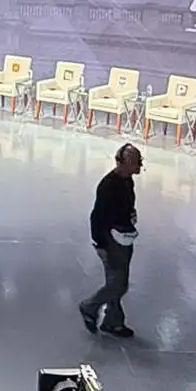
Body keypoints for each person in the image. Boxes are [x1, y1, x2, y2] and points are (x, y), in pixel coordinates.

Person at [81, 143, 142, 338]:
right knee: (118, 285)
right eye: (136, 162)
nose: (140, 165)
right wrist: (101, 243)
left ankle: (113, 322)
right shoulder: (108, 185)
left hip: (124, 236)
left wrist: (130, 214)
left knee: (116, 281)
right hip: (111, 240)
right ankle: (90, 306)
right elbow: (97, 216)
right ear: (123, 163)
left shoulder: (127, 181)